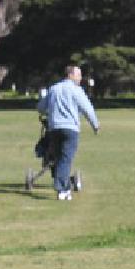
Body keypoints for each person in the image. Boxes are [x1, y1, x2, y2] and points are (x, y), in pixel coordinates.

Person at [36, 65, 100, 201]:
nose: (80, 78)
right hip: (70, 129)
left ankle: (63, 186)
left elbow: (41, 107)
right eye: (78, 75)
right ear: (70, 75)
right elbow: (87, 108)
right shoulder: (76, 90)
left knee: (59, 158)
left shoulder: (54, 89)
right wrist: (95, 124)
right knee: (65, 159)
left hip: (54, 129)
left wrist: (48, 112)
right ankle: (62, 190)